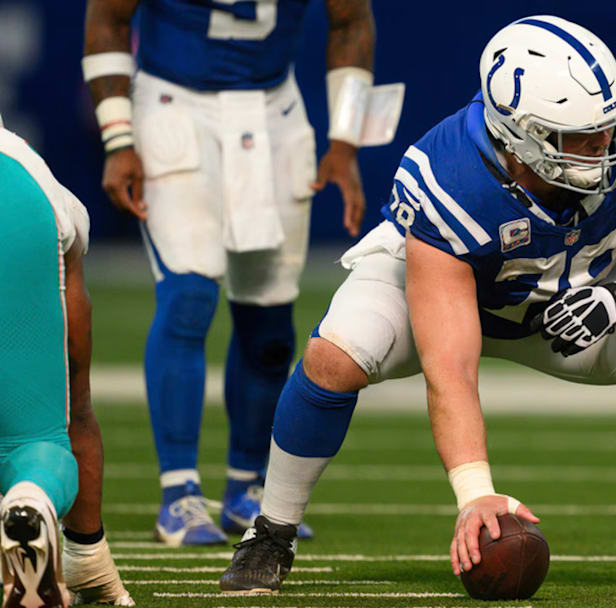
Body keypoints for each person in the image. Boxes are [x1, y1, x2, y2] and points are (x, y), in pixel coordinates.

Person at [217, 15, 616, 597]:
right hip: (445, 292)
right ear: (519, 136)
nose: (606, 147)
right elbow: (450, 369)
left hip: (566, 294)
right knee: (337, 354)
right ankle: (271, 532)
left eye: (611, 127)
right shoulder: (450, 179)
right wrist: (476, 494)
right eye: (580, 138)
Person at [82, 0, 375, 545]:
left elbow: (351, 20)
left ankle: (246, 487)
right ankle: (179, 494)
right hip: (174, 103)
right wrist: (118, 139)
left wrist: (346, 141)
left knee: (269, 323)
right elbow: (108, 19)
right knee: (189, 296)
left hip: (274, 112)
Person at [0, 121, 130, 608]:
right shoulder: (27, 169)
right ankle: (31, 502)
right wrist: (91, 558)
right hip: (16, 196)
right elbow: (77, 400)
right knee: (37, 439)